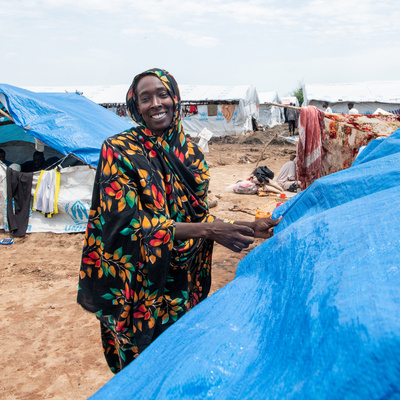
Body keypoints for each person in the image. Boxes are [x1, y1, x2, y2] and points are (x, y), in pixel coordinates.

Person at [77, 68, 281, 373]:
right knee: (142, 369)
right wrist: (210, 230)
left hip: (182, 282)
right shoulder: (118, 151)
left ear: (176, 99)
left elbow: (195, 216)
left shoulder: (191, 156)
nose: (156, 103)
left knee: (181, 362)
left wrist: (250, 227)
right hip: (137, 282)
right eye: (145, 98)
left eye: (163, 94)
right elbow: (124, 224)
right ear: (135, 106)